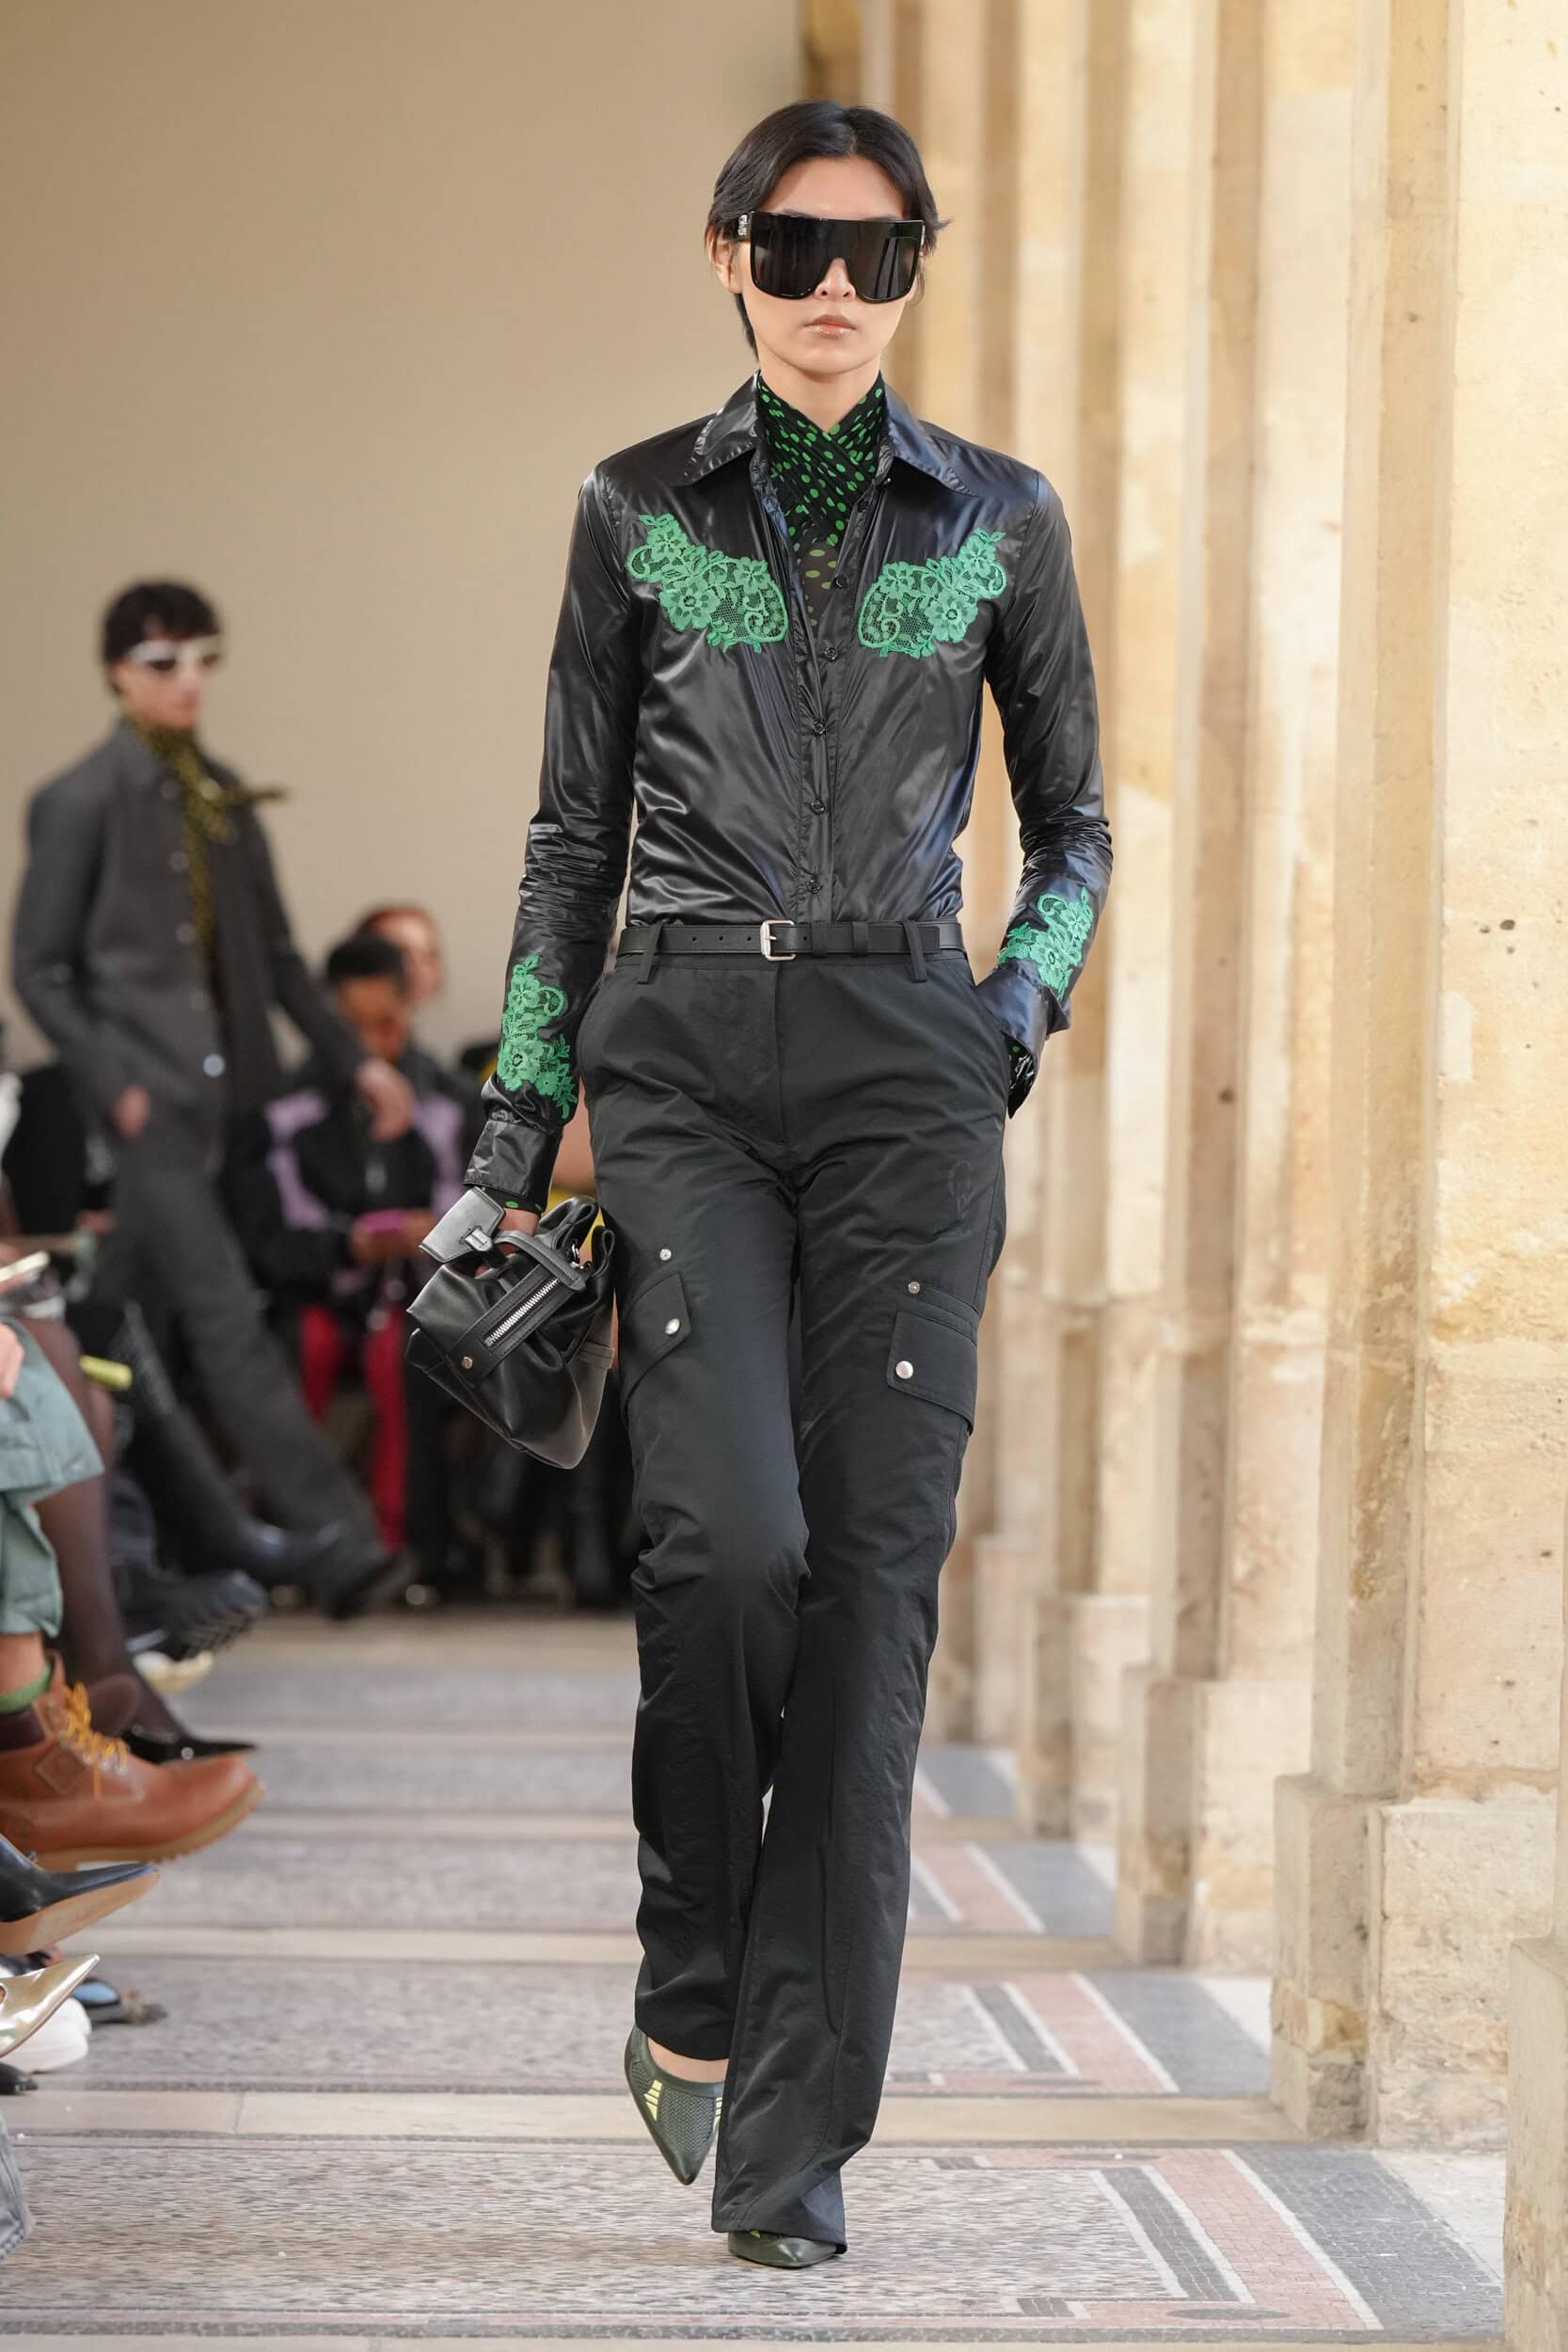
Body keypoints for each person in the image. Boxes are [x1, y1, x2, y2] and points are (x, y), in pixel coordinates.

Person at [466, 101, 1110, 2265]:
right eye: (797, 247)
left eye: (878, 252)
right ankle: (691, 1966)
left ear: (916, 267)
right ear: (725, 251)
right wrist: (511, 1129)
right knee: (730, 1545)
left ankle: (790, 2138)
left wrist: (1010, 1008)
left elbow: (1078, 823)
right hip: (682, 1060)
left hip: (909, 1069)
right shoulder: (635, 506)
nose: (836, 289)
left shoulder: (1000, 515)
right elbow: (568, 835)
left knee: (868, 1597)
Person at [11, 581, 412, 1617]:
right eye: (163, 662)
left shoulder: (221, 798)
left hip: (229, 1111)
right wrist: (117, 1088)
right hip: (150, 1114)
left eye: (202, 658)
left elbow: (277, 959)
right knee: (226, 1318)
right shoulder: (79, 800)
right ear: (117, 672)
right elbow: (38, 969)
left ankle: (124, 1558)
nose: (188, 679)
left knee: (118, 1331)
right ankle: (340, 1545)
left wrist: (357, 1064)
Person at [225, 932, 471, 1577]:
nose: (372, 1046)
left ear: (409, 1009)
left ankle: (402, 1552)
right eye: (352, 1031)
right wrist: (345, 1245)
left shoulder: (450, 1105)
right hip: (311, 1295)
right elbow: (263, 1240)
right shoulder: (276, 1111)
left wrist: (428, 1234)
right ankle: (297, 1545)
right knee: (303, 1343)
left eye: (385, 1025)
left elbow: (478, 1227)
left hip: (414, 1297)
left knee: (406, 1348)